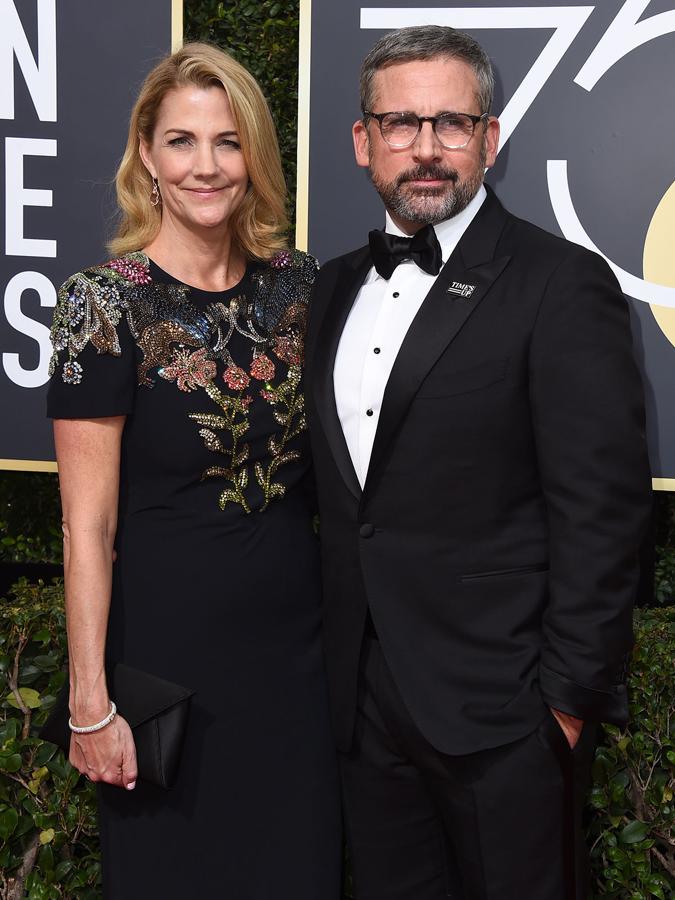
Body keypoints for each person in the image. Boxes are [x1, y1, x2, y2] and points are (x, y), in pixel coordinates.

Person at [305, 25, 652, 900]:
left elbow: (601, 511)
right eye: (400, 123)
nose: (425, 148)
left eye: (451, 123)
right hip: (363, 707)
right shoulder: (330, 288)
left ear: (488, 140)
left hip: (505, 715)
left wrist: (564, 705)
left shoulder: (559, 282)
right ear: (362, 142)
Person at [47, 42, 341, 899]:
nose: (204, 166)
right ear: (146, 153)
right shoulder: (102, 303)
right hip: (164, 671)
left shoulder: (302, 288)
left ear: (254, 155)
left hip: (296, 669)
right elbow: (87, 526)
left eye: (227, 141)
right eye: (180, 141)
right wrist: (90, 703)